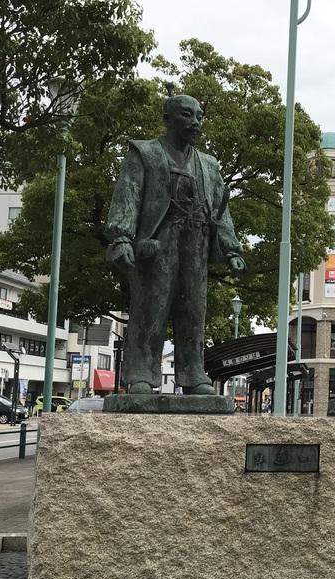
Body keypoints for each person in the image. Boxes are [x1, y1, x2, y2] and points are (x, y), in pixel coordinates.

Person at [105, 95, 245, 395]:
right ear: (168, 118)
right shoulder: (145, 153)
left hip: (196, 243)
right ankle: (141, 372)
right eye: (187, 115)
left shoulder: (208, 164)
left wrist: (231, 249)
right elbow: (128, 195)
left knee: (194, 310)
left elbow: (220, 210)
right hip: (157, 243)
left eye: (199, 116)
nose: (195, 122)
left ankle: (193, 371)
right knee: (150, 309)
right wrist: (122, 237)